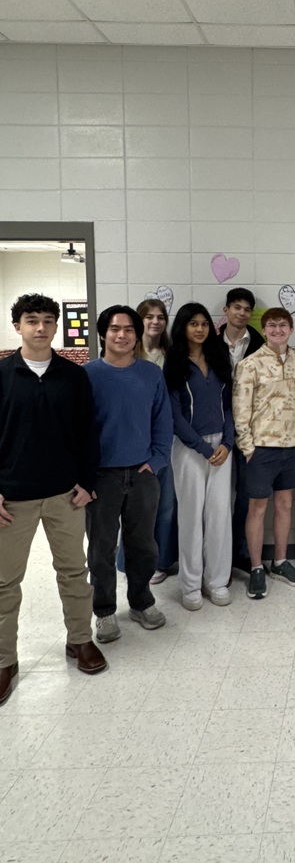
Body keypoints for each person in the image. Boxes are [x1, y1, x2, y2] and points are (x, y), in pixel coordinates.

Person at [0, 294, 106, 706]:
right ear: (18, 327)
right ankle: (5, 660)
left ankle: (80, 640)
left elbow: (88, 433)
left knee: (73, 573)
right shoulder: (3, 374)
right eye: (32, 320)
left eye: (48, 321)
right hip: (14, 500)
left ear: (56, 327)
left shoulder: (73, 376)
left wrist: (87, 481)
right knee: (6, 583)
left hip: (66, 495)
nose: (41, 328)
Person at [85, 306, 173, 642]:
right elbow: (77, 430)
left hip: (142, 475)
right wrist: (84, 476)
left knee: (143, 547)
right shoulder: (88, 374)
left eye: (128, 330)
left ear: (137, 335)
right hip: (100, 479)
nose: (121, 335)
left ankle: (141, 602)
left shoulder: (151, 374)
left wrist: (156, 461)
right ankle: (104, 612)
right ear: (103, 333)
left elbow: (163, 421)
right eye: (114, 329)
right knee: (101, 549)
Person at [232, 306, 295, 600]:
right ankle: (256, 568)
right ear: (264, 330)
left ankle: (278, 562)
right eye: (272, 325)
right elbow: (240, 409)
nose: (278, 329)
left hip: (292, 446)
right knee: (258, 509)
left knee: (286, 505)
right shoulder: (250, 365)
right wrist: (248, 448)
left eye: (283, 325)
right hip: (261, 450)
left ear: (291, 329)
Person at [165, 303, 235, 610]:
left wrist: (228, 442)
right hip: (190, 450)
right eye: (193, 323)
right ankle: (191, 585)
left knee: (220, 515)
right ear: (182, 327)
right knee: (191, 517)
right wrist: (203, 449)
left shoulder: (220, 359)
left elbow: (231, 404)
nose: (199, 329)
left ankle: (217, 581)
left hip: (222, 448)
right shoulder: (174, 363)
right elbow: (175, 415)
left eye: (204, 323)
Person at [116, 297, 178, 584]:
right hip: (136, 443)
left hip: (167, 443)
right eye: (149, 316)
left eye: (160, 316)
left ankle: (162, 560)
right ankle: (131, 561)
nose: (155, 321)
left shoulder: (172, 355)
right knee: (136, 511)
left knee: (165, 507)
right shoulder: (128, 355)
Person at [217, 287, 264, 575]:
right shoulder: (209, 342)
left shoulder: (259, 342)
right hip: (216, 426)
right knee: (217, 495)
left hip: (251, 428)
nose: (241, 313)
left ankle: (242, 554)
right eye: (236, 307)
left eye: (247, 309)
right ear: (226, 310)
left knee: (247, 494)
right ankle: (217, 553)